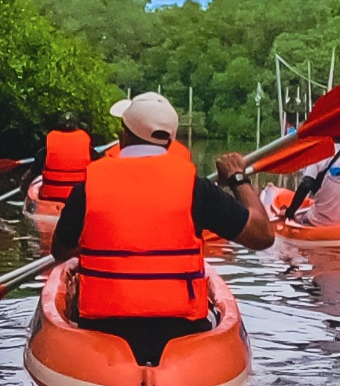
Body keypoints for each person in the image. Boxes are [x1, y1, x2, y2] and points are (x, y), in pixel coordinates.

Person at [51, 91, 273, 364]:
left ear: (123, 136)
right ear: (170, 139)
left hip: (103, 332)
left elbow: (60, 251)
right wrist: (238, 178)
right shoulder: (197, 188)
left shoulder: (88, 187)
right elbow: (263, 236)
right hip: (182, 332)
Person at [31, 115, 95, 206]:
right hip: (78, 200)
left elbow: (35, 169)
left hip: (50, 199)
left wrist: (25, 184)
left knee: (27, 180)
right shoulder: (88, 148)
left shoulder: (47, 148)